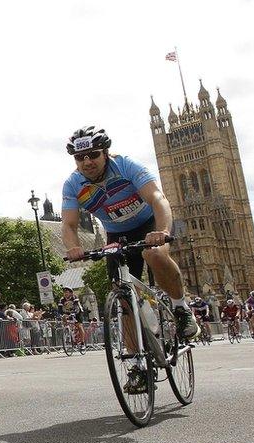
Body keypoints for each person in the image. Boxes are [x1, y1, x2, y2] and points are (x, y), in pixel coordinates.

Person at [61, 127, 198, 394]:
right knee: (123, 297)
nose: (87, 161)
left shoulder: (126, 166)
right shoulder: (73, 184)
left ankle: (181, 308)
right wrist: (74, 247)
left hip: (148, 224)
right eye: (80, 157)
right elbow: (68, 224)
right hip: (116, 233)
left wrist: (163, 232)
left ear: (105, 153)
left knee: (155, 254)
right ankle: (137, 366)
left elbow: (158, 198)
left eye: (93, 154)